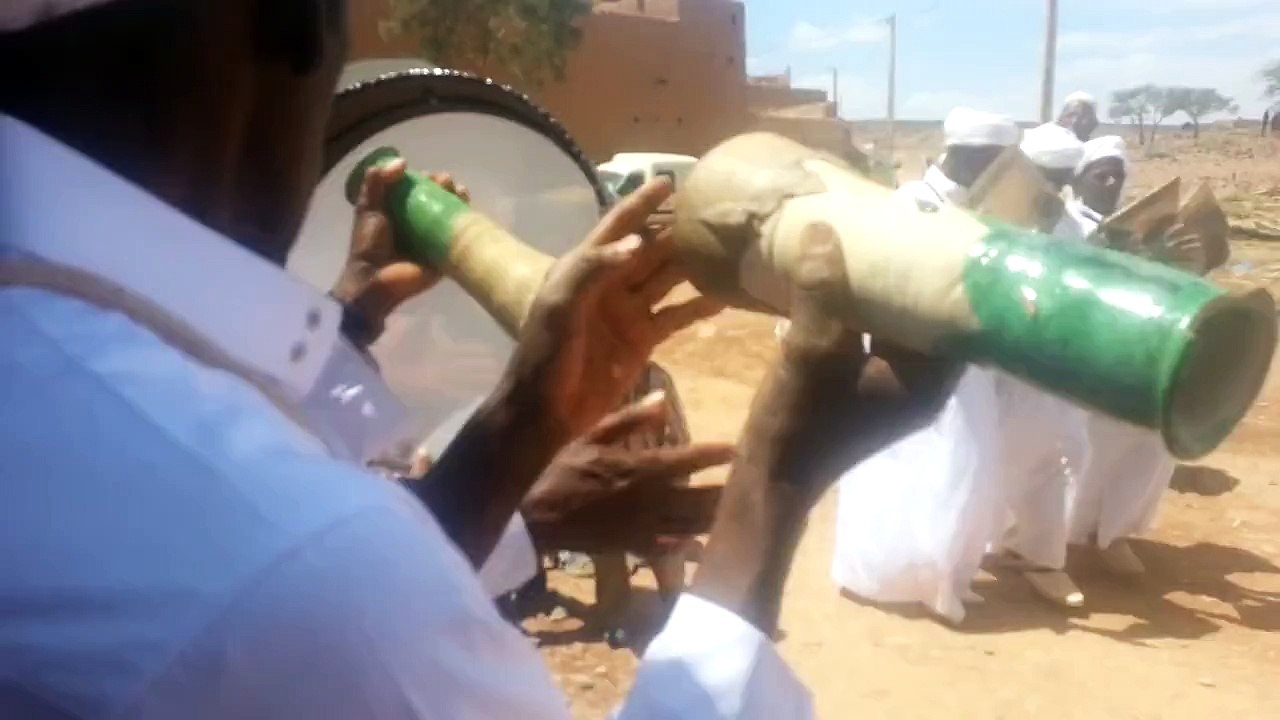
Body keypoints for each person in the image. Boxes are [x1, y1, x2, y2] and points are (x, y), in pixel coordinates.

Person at [0, 1, 955, 718]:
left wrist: (515, 426)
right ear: (289, 24)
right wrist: (775, 478)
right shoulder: (287, 570)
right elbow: (315, 589)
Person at [830, 107, 1020, 624]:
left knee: (970, 464)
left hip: (968, 353)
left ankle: (951, 574)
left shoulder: (989, 208)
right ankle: (906, 580)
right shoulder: (913, 201)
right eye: (991, 162)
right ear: (966, 156)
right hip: (913, 351)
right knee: (914, 463)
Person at [989, 123, 1093, 608]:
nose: (1055, 186)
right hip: (1002, 360)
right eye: (1047, 175)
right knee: (1002, 456)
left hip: (1057, 361)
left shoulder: (1071, 225)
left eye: (1064, 177)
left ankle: (1043, 558)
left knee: (1068, 452)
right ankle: (995, 543)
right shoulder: (995, 214)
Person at [1065, 136, 1176, 578]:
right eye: (1102, 175)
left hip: (1132, 348)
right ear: (1078, 180)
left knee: (1152, 439)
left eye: (1118, 175)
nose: (1111, 183)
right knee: (1088, 447)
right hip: (1081, 353)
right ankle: (1059, 538)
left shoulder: (1131, 226)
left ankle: (1114, 533)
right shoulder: (1066, 224)